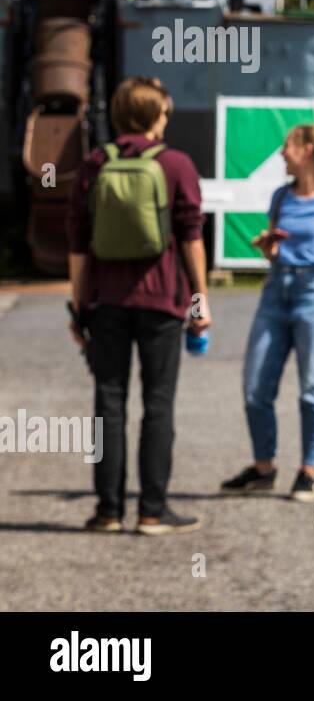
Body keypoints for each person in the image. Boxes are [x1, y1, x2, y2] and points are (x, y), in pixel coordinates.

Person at [67, 77, 209, 535]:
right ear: (153, 117)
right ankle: (152, 510)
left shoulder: (93, 164)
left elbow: (78, 244)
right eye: (164, 113)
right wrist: (198, 299)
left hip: (106, 302)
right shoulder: (176, 164)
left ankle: (107, 511)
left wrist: (78, 307)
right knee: (158, 403)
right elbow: (190, 237)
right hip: (162, 301)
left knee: (107, 404)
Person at [221, 124, 314, 502]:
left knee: (312, 389)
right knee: (255, 386)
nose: (282, 154)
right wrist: (267, 246)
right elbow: (272, 251)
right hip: (276, 289)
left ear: (307, 151)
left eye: (287, 147)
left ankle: (307, 471)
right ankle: (263, 468)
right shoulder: (281, 196)